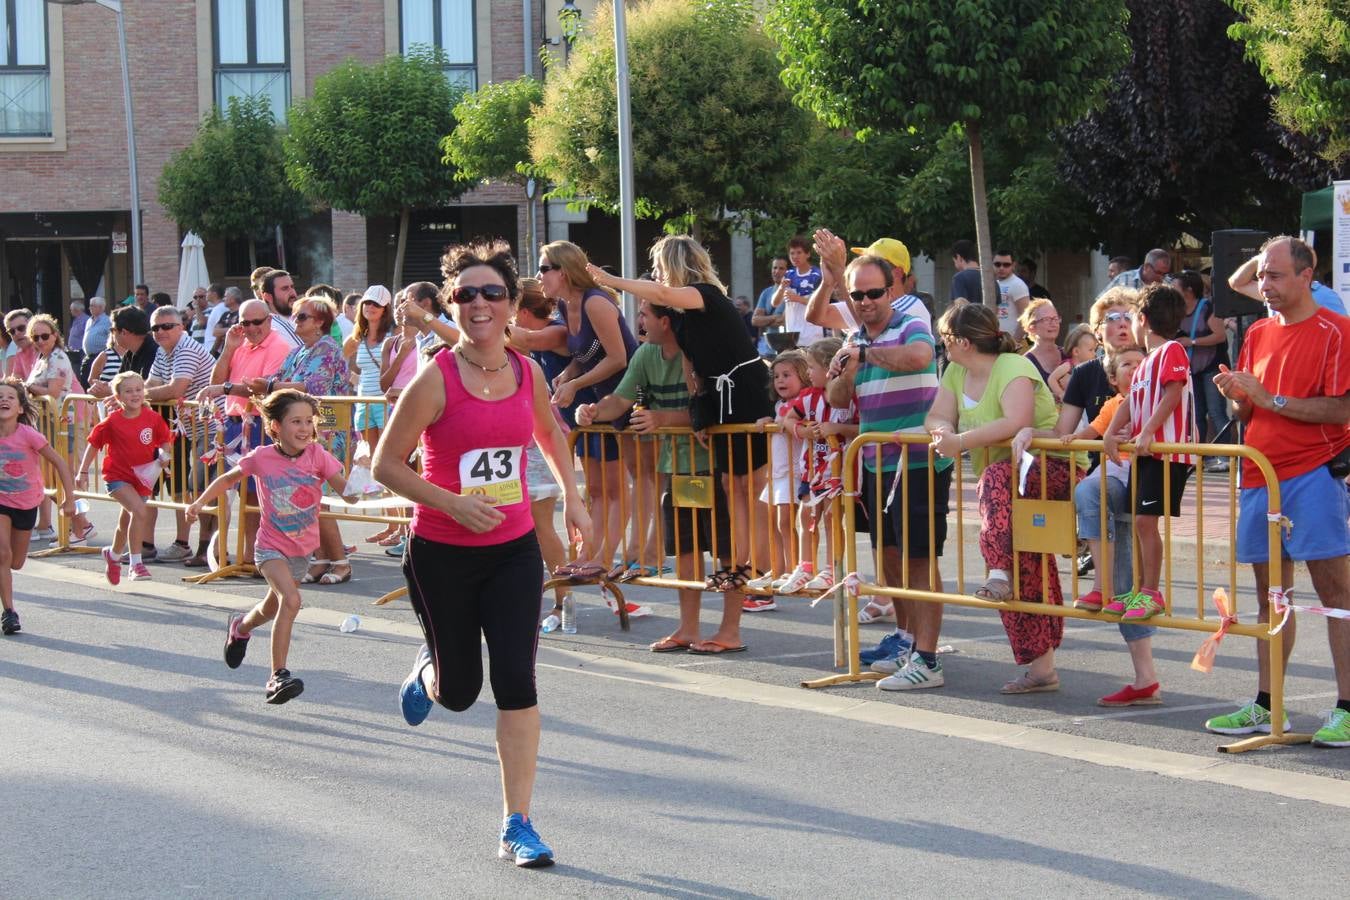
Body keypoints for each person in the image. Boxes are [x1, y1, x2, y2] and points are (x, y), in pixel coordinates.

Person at [373, 239, 589, 867]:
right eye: (466, 294)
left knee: (517, 682)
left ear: (512, 302)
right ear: (452, 302)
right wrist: (450, 502)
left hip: (514, 550)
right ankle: (428, 669)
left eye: (492, 293)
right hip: (441, 553)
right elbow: (386, 465)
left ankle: (516, 823)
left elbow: (550, 432)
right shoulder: (434, 379)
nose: (479, 304)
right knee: (461, 690)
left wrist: (573, 498)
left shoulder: (526, 372)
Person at [1205, 236, 1350, 747]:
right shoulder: (1259, 332)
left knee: (1336, 596)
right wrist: (1240, 401)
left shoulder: (1338, 331)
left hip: (1314, 474)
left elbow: (1342, 409)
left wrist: (1270, 397)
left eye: (1276, 275)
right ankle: (1270, 706)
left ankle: (1347, 709)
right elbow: (1248, 411)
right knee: (1272, 598)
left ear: (1307, 276)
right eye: (1262, 275)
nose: (1264, 285)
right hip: (1259, 475)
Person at [587, 235, 774, 617]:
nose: (655, 276)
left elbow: (660, 291)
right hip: (718, 399)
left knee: (744, 486)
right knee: (729, 484)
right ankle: (740, 564)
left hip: (744, 392)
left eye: (657, 266)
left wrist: (610, 282)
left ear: (673, 265)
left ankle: (751, 563)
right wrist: (700, 413)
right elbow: (693, 369)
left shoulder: (703, 294)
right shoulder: (686, 316)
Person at [928, 303, 1072, 694]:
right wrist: (943, 430)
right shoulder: (957, 372)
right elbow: (936, 415)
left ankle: (996, 569)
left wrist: (958, 441)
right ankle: (1041, 668)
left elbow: (1016, 421)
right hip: (1003, 486)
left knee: (995, 487)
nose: (943, 347)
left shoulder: (1013, 367)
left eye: (945, 339)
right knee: (1024, 562)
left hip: (1049, 467)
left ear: (960, 341)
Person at [576, 299, 735, 651]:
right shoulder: (646, 355)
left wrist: (663, 419)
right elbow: (618, 401)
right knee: (687, 551)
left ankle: (730, 631)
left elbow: (714, 411)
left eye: (645, 314)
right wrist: (591, 412)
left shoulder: (702, 352)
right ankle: (688, 629)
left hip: (717, 466)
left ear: (666, 321)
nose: (639, 321)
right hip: (676, 469)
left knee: (727, 553)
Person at [826, 250, 951, 689]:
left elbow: (919, 357)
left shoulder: (910, 321)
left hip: (918, 458)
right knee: (891, 557)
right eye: (858, 295)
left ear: (892, 290)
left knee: (921, 557)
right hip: (877, 460)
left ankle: (929, 659)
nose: (865, 301)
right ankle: (906, 641)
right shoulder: (854, 338)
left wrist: (869, 354)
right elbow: (838, 398)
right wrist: (845, 369)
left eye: (874, 293)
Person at [190, 390, 353, 705]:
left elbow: (348, 492)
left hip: (301, 551)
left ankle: (241, 626)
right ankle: (278, 676)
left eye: (309, 421)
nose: (304, 428)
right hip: (270, 547)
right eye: (296, 421)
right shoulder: (262, 457)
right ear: (275, 425)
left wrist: (367, 487)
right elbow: (227, 479)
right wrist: (199, 503)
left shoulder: (318, 455)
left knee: (272, 607)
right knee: (291, 600)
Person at [511, 240, 638, 581]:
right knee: (594, 488)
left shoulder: (597, 302)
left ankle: (605, 556)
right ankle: (589, 553)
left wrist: (574, 385)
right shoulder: (568, 307)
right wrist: (567, 376)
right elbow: (584, 357)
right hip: (596, 404)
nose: (539, 276)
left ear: (563, 272)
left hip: (623, 398)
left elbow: (619, 358)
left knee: (614, 488)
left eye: (544, 269)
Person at [1102, 283, 1195, 623]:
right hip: (1146, 453)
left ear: (1142, 319)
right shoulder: (1145, 362)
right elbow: (1130, 401)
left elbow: (1173, 392)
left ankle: (1151, 591)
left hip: (1166, 453)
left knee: (1144, 521)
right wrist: (1111, 433)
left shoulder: (1171, 350)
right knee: (1137, 521)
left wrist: (1148, 431)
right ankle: (1140, 589)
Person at [197, 299, 295, 565]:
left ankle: (253, 554)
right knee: (233, 489)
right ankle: (241, 552)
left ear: (269, 321)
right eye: (245, 323)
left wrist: (227, 389)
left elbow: (263, 388)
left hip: (258, 423)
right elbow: (215, 381)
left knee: (254, 492)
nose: (251, 328)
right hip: (235, 423)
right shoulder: (240, 345)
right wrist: (228, 349)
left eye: (257, 322)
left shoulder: (279, 346)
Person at [266, 295, 354, 584]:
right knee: (310, 498)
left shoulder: (327, 348)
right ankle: (321, 558)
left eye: (301, 317)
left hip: (328, 433)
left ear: (320, 322)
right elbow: (279, 377)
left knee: (321, 498)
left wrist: (268, 386)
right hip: (307, 432)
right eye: (295, 316)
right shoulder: (299, 351)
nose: (295, 321)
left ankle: (340, 562)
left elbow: (310, 386)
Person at [0, 378, 80, 636]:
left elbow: (60, 463)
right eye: (0, 397)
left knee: (16, 563)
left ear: (21, 408)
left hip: (26, 502)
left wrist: (69, 498)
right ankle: (9, 612)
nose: (4, 400)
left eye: (10, 397)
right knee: (2, 555)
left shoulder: (29, 435)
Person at [76, 371, 174, 584]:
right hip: (117, 477)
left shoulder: (153, 418)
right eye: (128, 391)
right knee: (140, 511)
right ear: (118, 397)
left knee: (128, 519)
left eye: (138, 390)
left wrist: (165, 455)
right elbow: (93, 445)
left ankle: (113, 555)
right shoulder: (113, 421)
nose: (135, 394)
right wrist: (82, 471)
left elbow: (165, 439)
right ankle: (136, 564)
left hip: (144, 477)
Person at [778, 337, 857, 595]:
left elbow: (861, 428)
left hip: (840, 471)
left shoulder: (851, 397)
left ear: (830, 367)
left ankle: (833, 568)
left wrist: (837, 429)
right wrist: (802, 430)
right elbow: (788, 419)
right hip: (813, 470)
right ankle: (805, 566)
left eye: (811, 367)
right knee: (807, 515)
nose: (808, 373)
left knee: (834, 517)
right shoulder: (809, 397)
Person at [145, 305, 216, 563]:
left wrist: (133, 396)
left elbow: (176, 389)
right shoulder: (165, 351)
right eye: (155, 327)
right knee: (199, 486)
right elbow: (152, 383)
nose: (160, 332)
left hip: (213, 426)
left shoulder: (185, 349)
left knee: (204, 487)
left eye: (167, 326)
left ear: (181, 328)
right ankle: (205, 549)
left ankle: (208, 550)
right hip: (192, 426)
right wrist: (134, 392)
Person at [22, 313, 94, 544]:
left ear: (55, 335)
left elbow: (53, 391)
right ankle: (81, 524)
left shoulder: (58, 357)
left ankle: (81, 527)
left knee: (66, 477)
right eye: (36, 337)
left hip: (65, 422)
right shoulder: (42, 358)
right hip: (48, 424)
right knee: (52, 478)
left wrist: (28, 387)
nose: (41, 340)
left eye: (45, 335)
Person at [750, 349, 808, 605]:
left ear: (803, 377)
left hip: (793, 471)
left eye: (787, 375)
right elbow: (778, 422)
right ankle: (779, 565)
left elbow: (798, 426)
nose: (781, 381)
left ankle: (795, 567)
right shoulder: (778, 405)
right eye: (776, 376)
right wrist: (768, 420)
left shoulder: (804, 402)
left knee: (787, 521)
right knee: (774, 521)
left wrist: (784, 422)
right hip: (777, 473)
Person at [344, 286, 395, 529]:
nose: (370, 307)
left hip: (384, 403)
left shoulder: (391, 337)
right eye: (366, 303)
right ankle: (390, 524)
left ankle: (398, 526)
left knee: (388, 463)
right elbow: (348, 368)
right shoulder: (356, 338)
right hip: (364, 403)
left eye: (375, 304)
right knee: (373, 464)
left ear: (385, 309)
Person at [1173, 269, 1232, 472]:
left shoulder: (1207, 308)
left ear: (1188, 291)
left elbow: (1220, 336)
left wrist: (1192, 341)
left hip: (1211, 368)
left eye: (1176, 287)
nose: (1172, 290)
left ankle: (1226, 457)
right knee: (1196, 414)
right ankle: (1201, 457)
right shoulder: (1177, 310)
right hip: (1191, 370)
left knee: (1216, 412)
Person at [782, 235, 825, 347]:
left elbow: (820, 304)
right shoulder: (788, 275)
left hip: (812, 336)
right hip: (791, 336)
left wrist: (797, 298)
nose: (795, 256)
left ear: (808, 254)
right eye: (792, 253)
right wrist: (781, 289)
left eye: (799, 252)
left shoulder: (817, 275)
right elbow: (775, 303)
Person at [1048, 324, 1098, 402]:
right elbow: (1051, 379)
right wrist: (1061, 393)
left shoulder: (1089, 367)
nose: (1095, 354)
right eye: (1091, 350)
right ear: (1076, 351)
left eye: (1095, 350)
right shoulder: (1068, 366)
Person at [751, 256, 789, 357]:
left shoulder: (794, 291)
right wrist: (774, 317)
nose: (777, 271)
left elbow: (783, 322)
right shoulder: (766, 293)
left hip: (790, 350)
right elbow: (755, 320)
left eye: (781, 268)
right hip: (770, 350)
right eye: (774, 268)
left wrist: (766, 320)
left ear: (788, 271)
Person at [1021, 298, 1065, 385]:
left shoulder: (1069, 353)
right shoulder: (1026, 363)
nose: (1053, 324)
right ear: (1032, 327)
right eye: (1046, 319)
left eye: (1055, 318)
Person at [992, 250, 1031, 343]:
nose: (1001, 268)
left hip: (1011, 343)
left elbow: (1025, 317)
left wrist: (1015, 343)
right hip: (995, 341)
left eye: (1006, 265)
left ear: (1013, 265)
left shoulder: (1017, 284)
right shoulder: (992, 283)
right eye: (997, 264)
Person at [81, 296, 110, 383]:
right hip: (88, 357)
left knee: (95, 383)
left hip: (100, 357)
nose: (90, 308)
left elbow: (112, 338)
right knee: (84, 381)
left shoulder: (107, 321)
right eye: (90, 306)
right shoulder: (89, 320)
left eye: (92, 306)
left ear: (101, 307)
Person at [3, 309, 36, 380]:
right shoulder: (19, 353)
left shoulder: (43, 349)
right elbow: (15, 381)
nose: (17, 333)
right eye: (12, 331)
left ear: (31, 327)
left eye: (21, 328)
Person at [950, 239, 984, 306]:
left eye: (954, 261)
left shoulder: (959, 278)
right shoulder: (991, 277)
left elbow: (960, 306)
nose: (955, 265)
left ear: (959, 257)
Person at [66, 300, 89, 377]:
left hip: (81, 352)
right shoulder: (76, 320)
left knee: (80, 373)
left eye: (71, 310)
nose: (70, 312)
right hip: (74, 352)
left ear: (76, 310)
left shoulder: (86, 320)